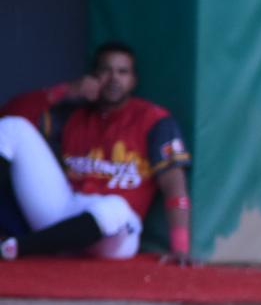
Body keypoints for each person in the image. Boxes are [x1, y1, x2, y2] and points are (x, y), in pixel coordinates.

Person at [0, 43, 195, 264]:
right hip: (65, 210)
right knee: (11, 127)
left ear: (134, 80)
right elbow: (7, 115)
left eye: (123, 72)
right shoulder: (73, 114)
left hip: (117, 234)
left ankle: (19, 248)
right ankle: (42, 244)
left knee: (114, 208)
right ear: (93, 77)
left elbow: (174, 185)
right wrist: (66, 91)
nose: (114, 78)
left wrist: (180, 247)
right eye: (106, 70)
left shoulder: (153, 119)